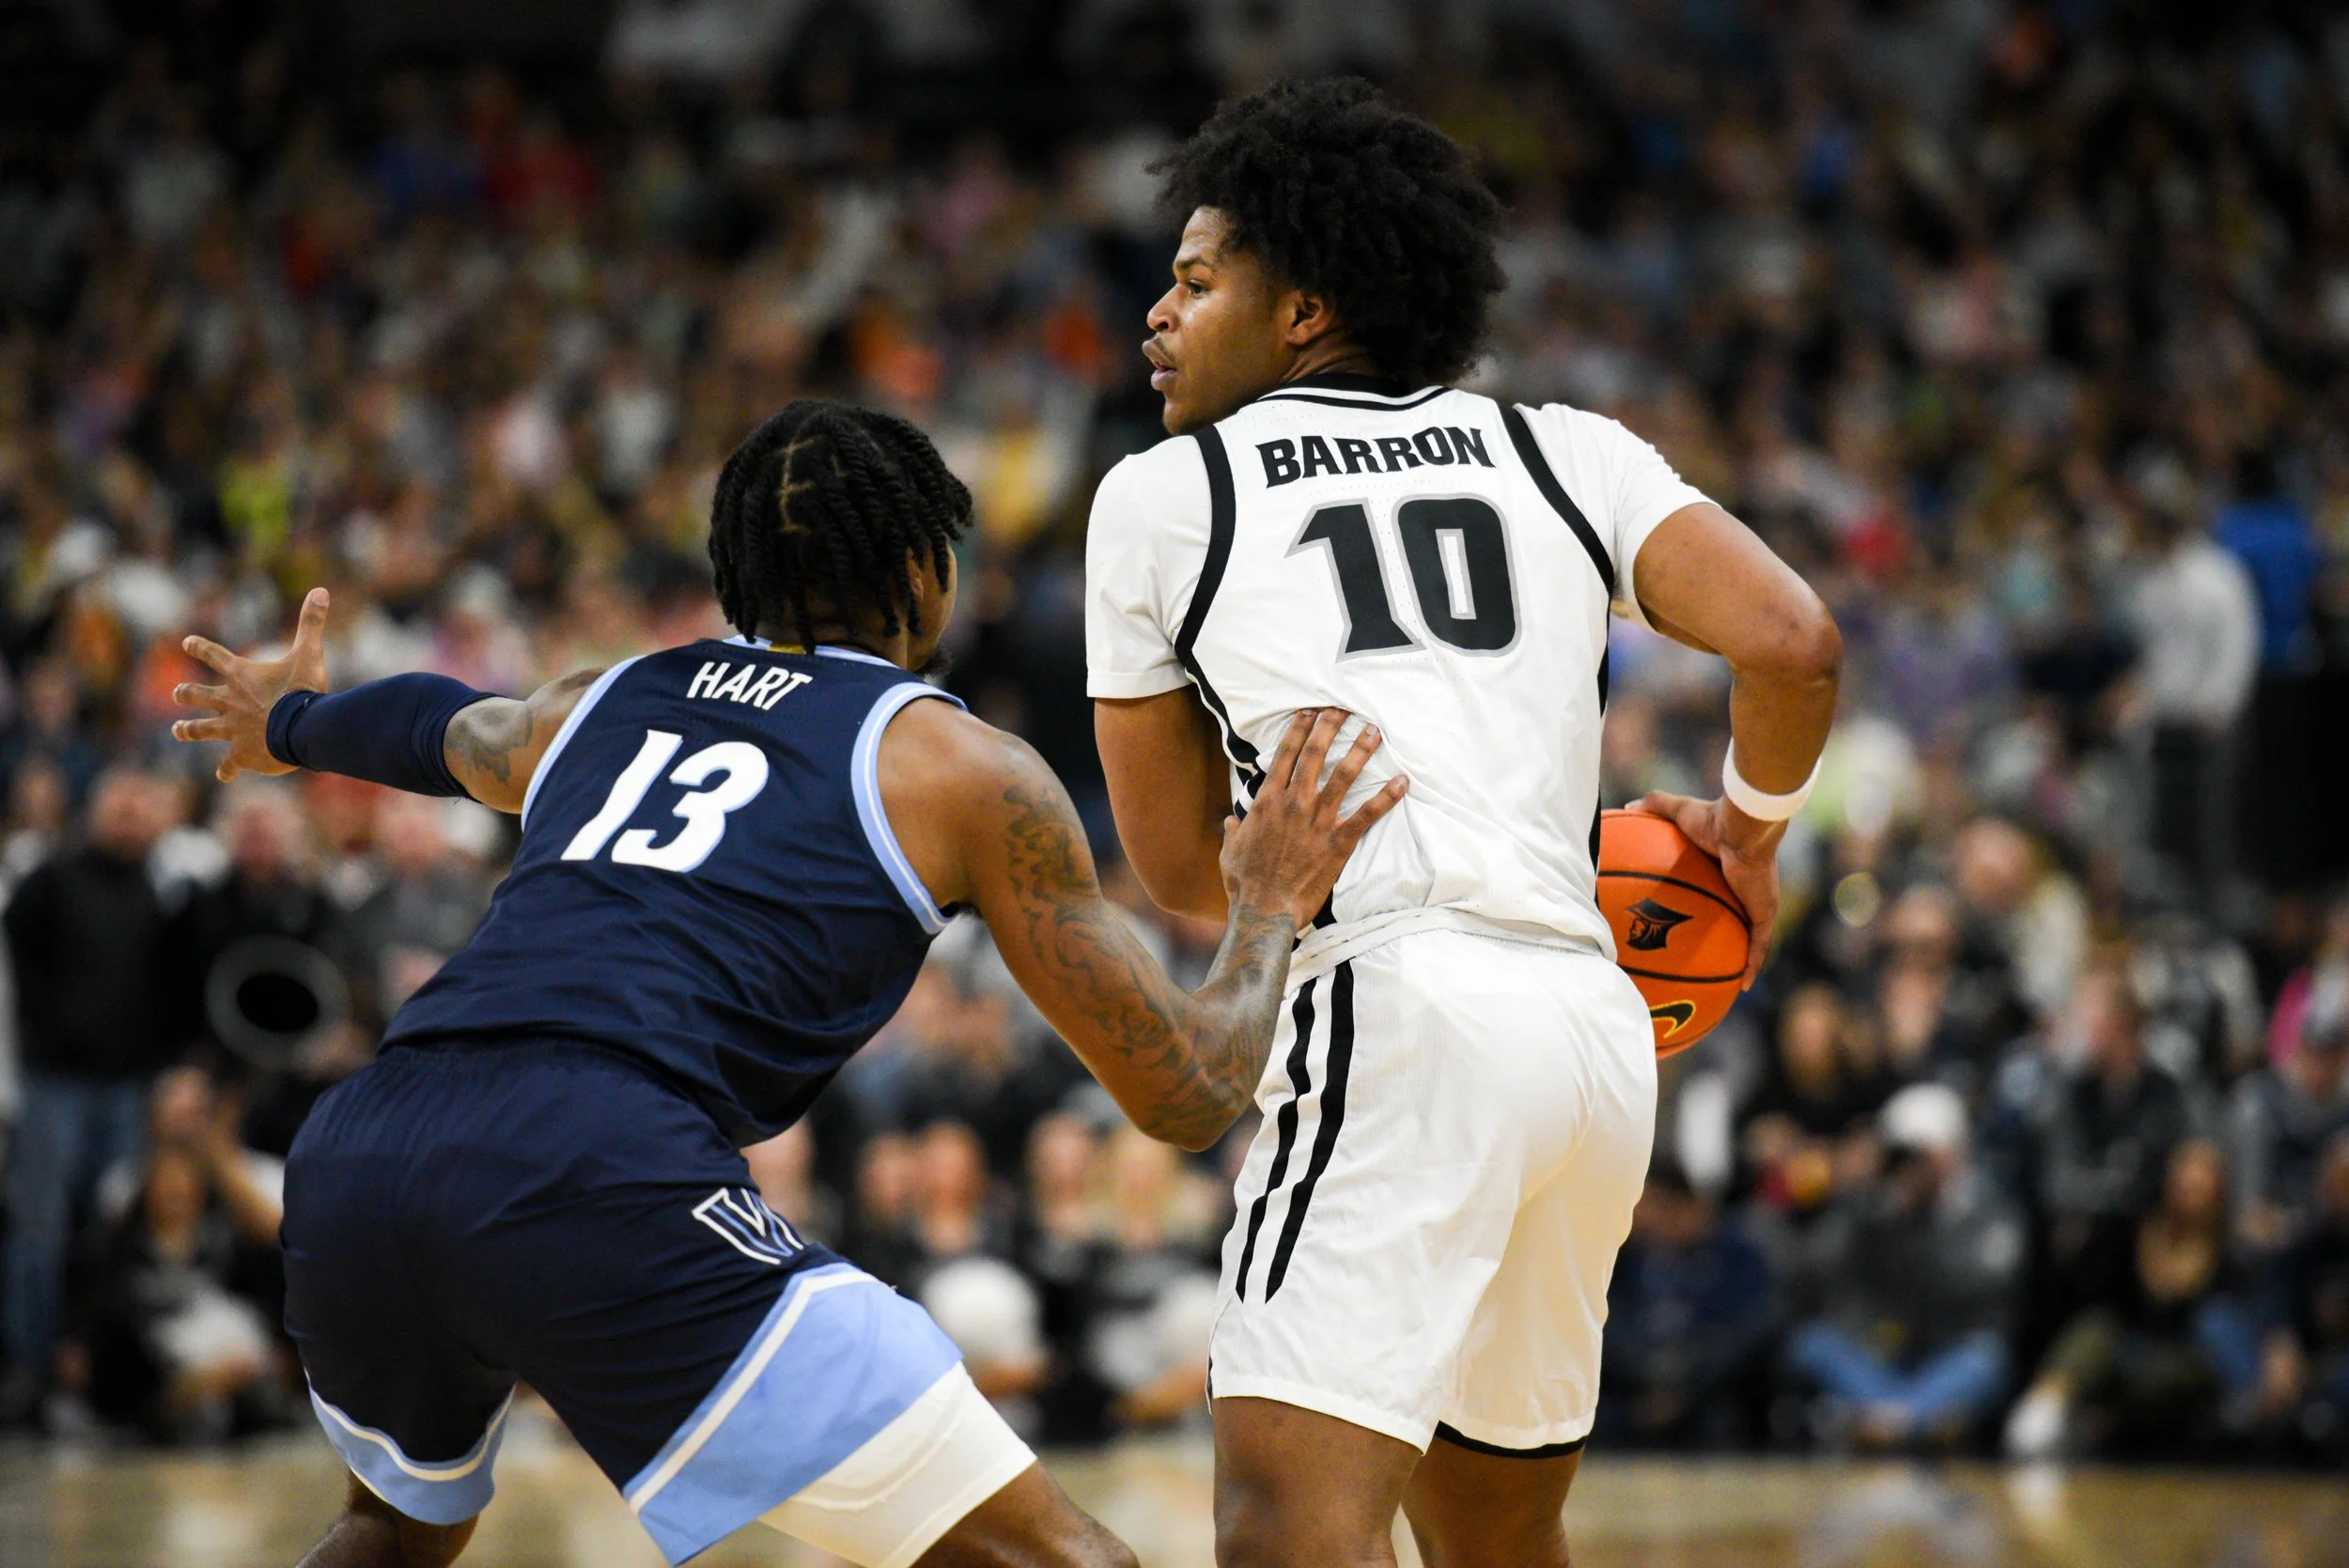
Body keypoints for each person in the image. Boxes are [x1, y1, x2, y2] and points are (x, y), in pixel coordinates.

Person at [170, 400, 1406, 1568]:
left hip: (369, 1146)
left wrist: (289, 722)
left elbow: (444, 733)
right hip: (588, 1156)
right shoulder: (959, 766)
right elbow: (1190, 1091)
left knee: (387, 1541)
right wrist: (1270, 901)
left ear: (737, 574)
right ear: (926, 572)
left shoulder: (596, 701)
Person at [1085, 79, 1840, 1567]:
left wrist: (1266, 879)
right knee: (1501, 1541)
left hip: (1400, 1000)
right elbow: (1797, 641)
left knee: (1283, 1531)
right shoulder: (1567, 448)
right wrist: (1747, 838)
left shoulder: (1167, 495)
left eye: (1192, 280)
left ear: (1302, 312)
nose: (1155, 319)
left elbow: (1179, 871)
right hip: (1593, 1025)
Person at [1, 765, 182, 1427]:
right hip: (55, 1082)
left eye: (143, 804)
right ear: (94, 807)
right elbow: (17, 966)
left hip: (126, 1087)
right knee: (40, 1227)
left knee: (108, 1234)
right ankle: (29, 1367)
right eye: (120, 803)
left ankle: (95, 1370)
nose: (131, 816)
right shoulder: (50, 878)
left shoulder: (157, 889)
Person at [1783, 1084, 2025, 1452]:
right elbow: (1822, 1269)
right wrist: (1858, 1195)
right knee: (1813, 1343)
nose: (1908, 1169)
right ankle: (1914, 1421)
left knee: (1987, 1359)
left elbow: (1981, 1290)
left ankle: (1891, 1422)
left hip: (1948, 1351)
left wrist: (1926, 1220)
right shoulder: (1874, 1209)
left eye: (1918, 1155)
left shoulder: (1986, 1209)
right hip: (1884, 1355)